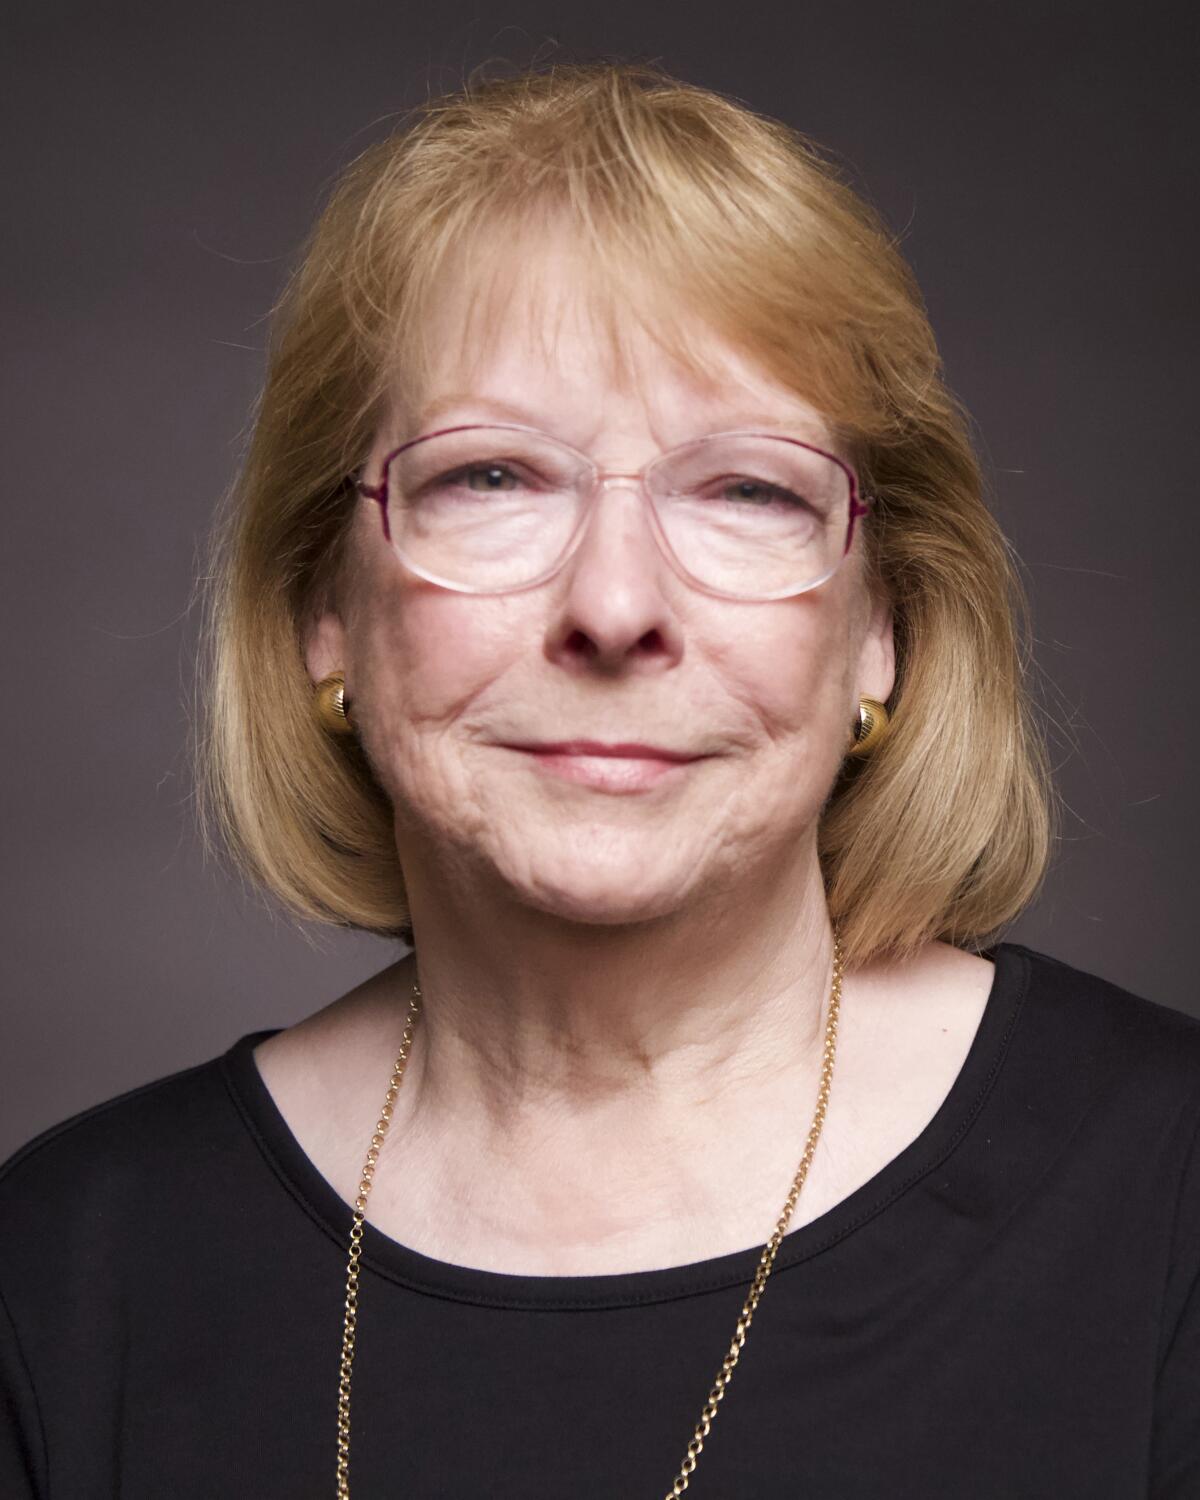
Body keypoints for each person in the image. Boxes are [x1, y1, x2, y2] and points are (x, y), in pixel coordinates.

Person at [1, 59, 1197, 1500]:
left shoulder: (1171, 1196)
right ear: (329, 609)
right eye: (494, 478)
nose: (616, 604)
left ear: (882, 628)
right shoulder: (68, 1274)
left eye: (747, 488)